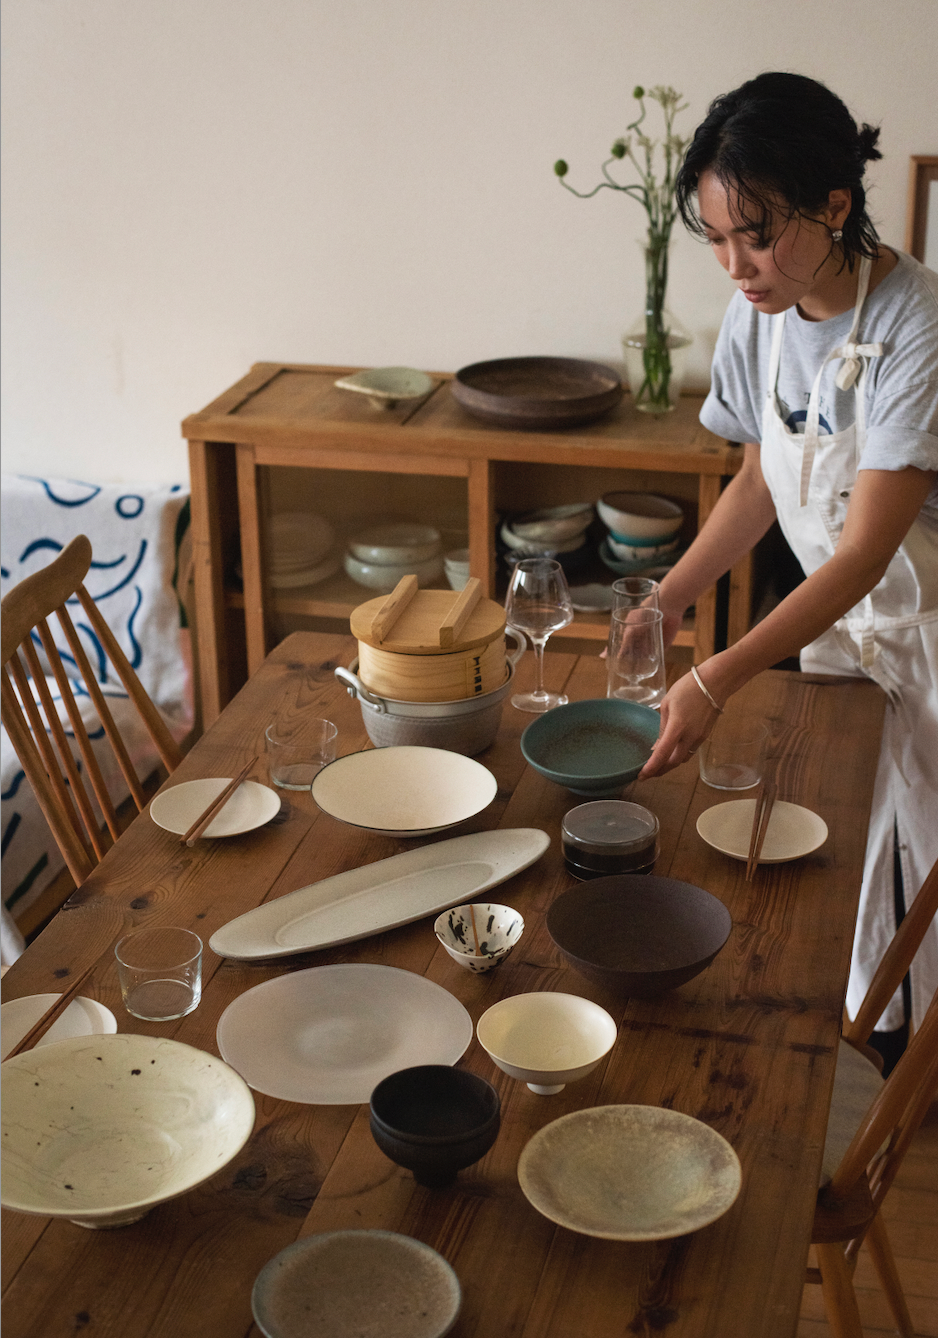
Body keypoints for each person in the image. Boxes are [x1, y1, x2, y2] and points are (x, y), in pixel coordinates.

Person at [638, 72, 938, 1051]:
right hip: (837, 644)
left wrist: (715, 678)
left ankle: (907, 1086)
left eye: (757, 235)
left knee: (924, 873)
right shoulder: (759, 314)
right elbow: (760, 483)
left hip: (925, 640)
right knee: (845, 864)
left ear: (834, 206)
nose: (735, 265)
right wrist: (670, 597)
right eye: (717, 237)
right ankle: (868, 1054)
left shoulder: (916, 325)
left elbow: (861, 557)